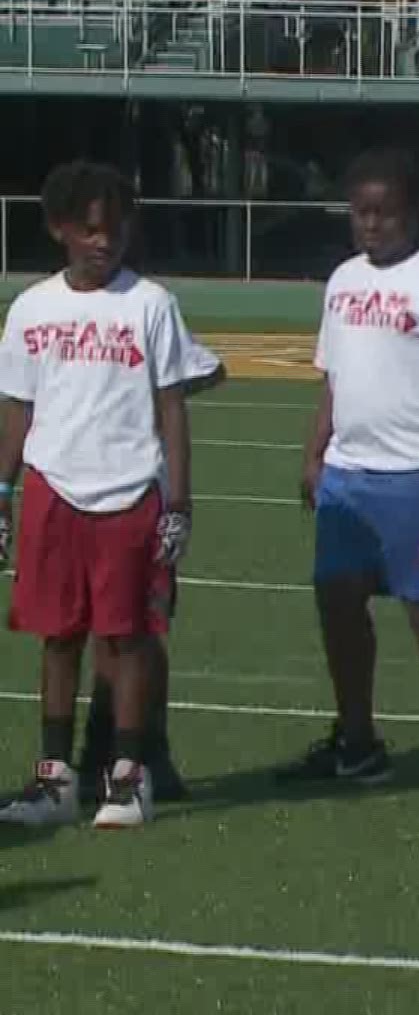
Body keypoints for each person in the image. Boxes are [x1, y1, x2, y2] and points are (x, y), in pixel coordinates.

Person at [278, 146, 419, 787]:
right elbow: (334, 377)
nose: (371, 224)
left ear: (415, 214)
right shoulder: (344, 280)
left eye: (385, 212)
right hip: (349, 476)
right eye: (361, 213)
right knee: (338, 601)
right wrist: (313, 451)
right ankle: (356, 739)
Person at [0, 159, 194, 829]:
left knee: (128, 636)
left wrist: (180, 503)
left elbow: (172, 407)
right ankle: (55, 780)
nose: (102, 242)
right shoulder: (31, 308)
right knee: (57, 635)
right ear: (59, 230)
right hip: (54, 487)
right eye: (88, 230)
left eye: (113, 229)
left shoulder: (151, 304)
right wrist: (3, 488)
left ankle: (128, 776)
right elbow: (18, 408)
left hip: (130, 489)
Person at [77, 332, 228, 804]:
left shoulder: (144, 308)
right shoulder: (53, 308)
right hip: (75, 484)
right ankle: (102, 752)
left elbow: (209, 369)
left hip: (139, 489)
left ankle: (144, 752)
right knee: (92, 627)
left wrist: (145, 402)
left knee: (135, 628)